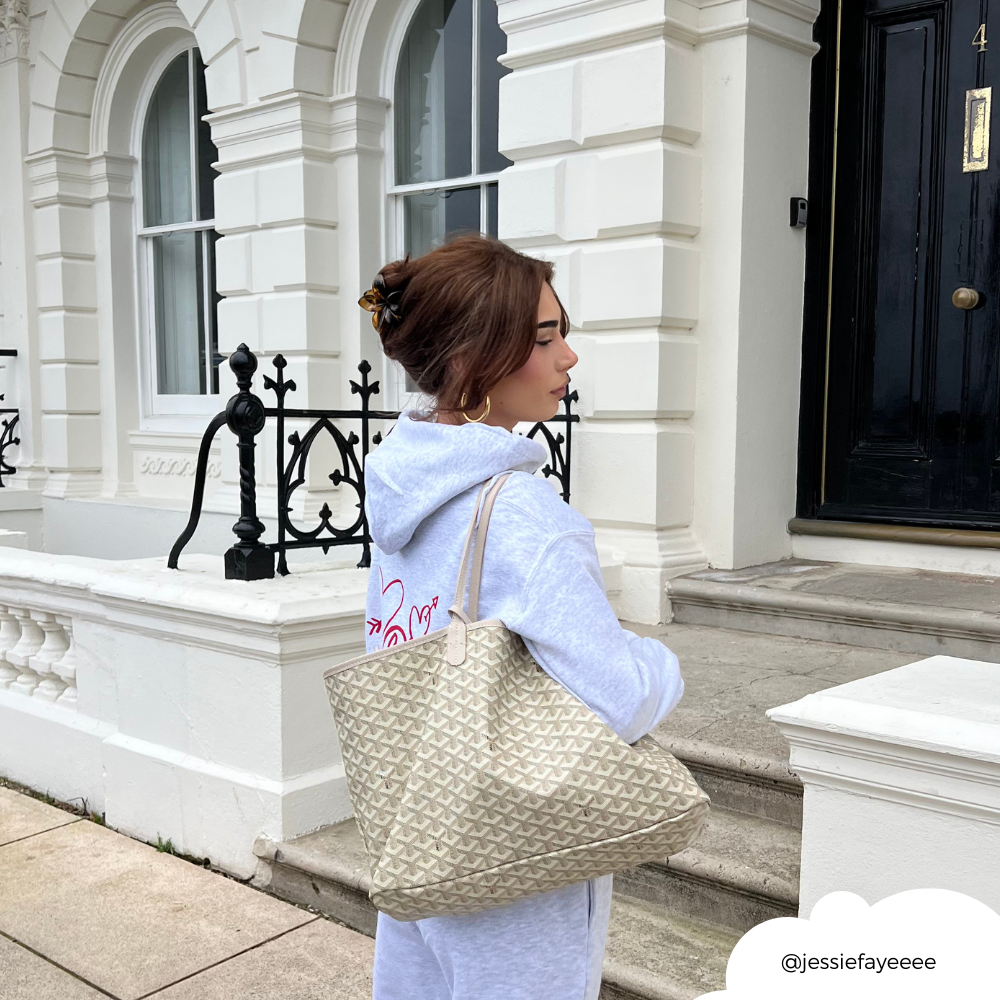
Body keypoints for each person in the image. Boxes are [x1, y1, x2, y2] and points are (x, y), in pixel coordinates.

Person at [360, 234, 684, 1000]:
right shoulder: (524, 516)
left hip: (419, 821)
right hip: (515, 859)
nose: (569, 356)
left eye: (561, 333)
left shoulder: (401, 487)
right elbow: (617, 697)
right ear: (473, 358)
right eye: (544, 339)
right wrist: (662, 665)